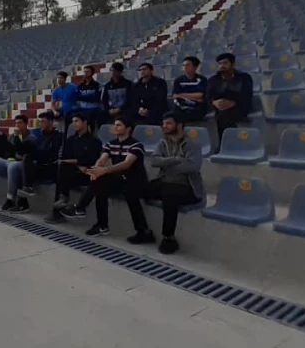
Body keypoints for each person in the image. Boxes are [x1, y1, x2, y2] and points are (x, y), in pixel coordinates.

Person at [61, 116, 150, 241]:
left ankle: (142, 231)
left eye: (118, 125)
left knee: (121, 189)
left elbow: (127, 164)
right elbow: (102, 159)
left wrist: (104, 170)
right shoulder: (111, 144)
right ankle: (100, 224)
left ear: (128, 128)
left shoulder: (136, 145)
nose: (114, 127)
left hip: (135, 181)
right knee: (99, 184)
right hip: (119, 180)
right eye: (115, 124)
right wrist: (95, 170)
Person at [143, 112, 205, 254]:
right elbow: (154, 161)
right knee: (138, 188)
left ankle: (168, 237)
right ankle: (143, 231)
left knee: (169, 196)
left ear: (180, 125)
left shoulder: (193, 144)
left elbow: (192, 166)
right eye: (163, 123)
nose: (164, 126)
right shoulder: (162, 142)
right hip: (165, 182)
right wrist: (175, 159)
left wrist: (166, 163)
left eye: (168, 123)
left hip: (187, 188)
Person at [45, 114, 103, 224]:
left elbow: (91, 159)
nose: (74, 124)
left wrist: (77, 161)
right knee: (61, 170)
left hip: (87, 174)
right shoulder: (70, 140)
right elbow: (65, 158)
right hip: (74, 171)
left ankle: (60, 206)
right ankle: (62, 200)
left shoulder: (95, 141)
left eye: (77, 121)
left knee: (63, 172)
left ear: (85, 122)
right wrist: (78, 163)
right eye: (73, 121)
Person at [0, 114, 39, 212]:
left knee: (12, 167)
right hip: (8, 160)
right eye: (16, 123)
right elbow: (8, 150)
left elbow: (22, 151)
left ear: (26, 124)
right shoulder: (11, 136)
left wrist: (17, 139)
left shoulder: (31, 138)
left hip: (22, 164)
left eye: (20, 123)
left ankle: (10, 199)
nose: (17, 125)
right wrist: (12, 152)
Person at [206, 52, 254, 142]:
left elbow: (247, 96)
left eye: (225, 63)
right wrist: (214, 102)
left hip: (240, 107)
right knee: (222, 114)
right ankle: (228, 143)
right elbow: (208, 97)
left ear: (233, 64)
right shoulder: (213, 80)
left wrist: (234, 103)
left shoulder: (244, 77)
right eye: (220, 64)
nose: (222, 66)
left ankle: (225, 144)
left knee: (224, 116)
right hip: (220, 108)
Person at [21, 111, 63, 195]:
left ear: (51, 122)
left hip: (51, 168)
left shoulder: (58, 136)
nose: (41, 124)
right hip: (39, 165)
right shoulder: (39, 135)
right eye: (40, 122)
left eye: (43, 121)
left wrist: (36, 155)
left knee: (26, 164)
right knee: (25, 158)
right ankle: (25, 191)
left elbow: (52, 155)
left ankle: (25, 193)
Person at [172, 56, 208, 122]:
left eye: (188, 65)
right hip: (182, 106)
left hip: (197, 107)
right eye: (183, 65)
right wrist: (195, 97)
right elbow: (175, 95)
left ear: (195, 67)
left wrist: (181, 95)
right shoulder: (178, 80)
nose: (185, 67)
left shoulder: (202, 79)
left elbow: (200, 95)